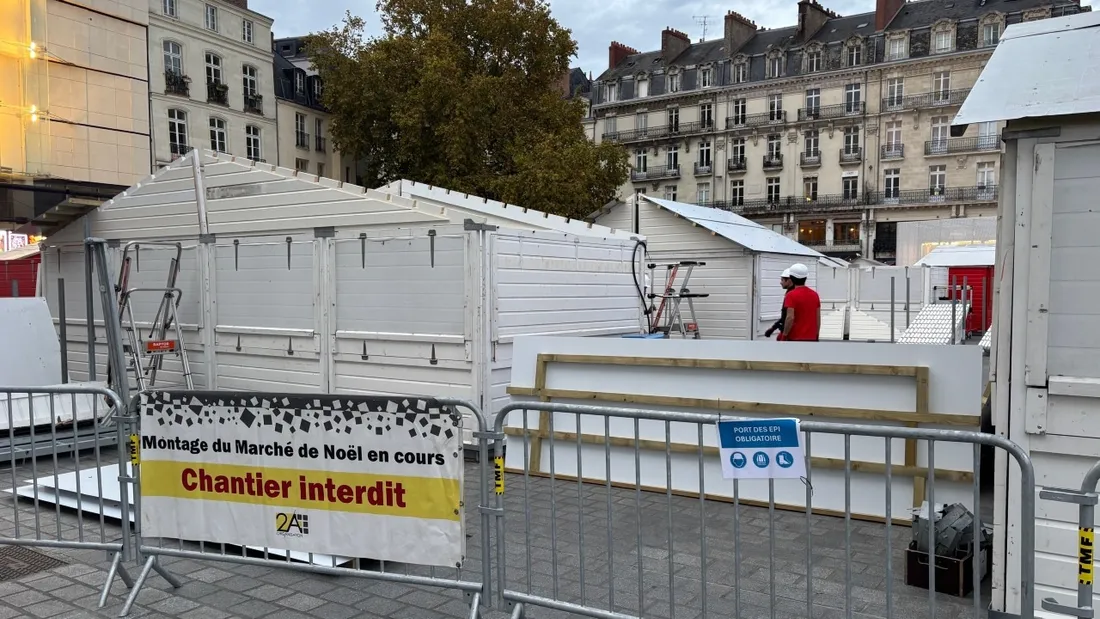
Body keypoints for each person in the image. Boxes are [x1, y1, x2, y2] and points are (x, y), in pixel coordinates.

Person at [779, 263, 821, 341]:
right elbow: (818, 318)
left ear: (791, 278)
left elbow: (790, 318)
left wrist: (784, 335)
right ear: (805, 278)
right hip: (811, 338)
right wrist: (816, 335)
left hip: (795, 338)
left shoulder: (791, 295)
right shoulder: (815, 295)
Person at [764, 269, 793, 338]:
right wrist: (773, 328)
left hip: (790, 334)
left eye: (782, 280)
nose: (780, 282)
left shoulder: (791, 295)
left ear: (789, 280)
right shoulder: (789, 293)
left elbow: (788, 317)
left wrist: (784, 335)